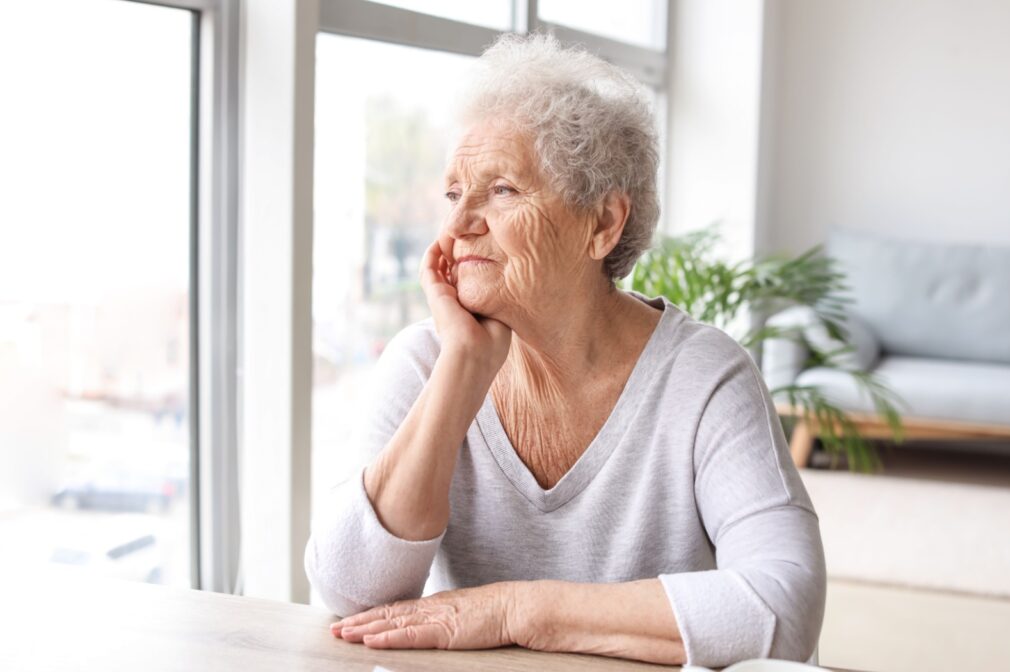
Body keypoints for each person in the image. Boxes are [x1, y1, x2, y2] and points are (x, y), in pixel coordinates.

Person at [304, 32, 826, 668]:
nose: (458, 224)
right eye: (452, 193)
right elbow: (349, 594)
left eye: (500, 190)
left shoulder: (704, 376)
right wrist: (461, 371)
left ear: (603, 224)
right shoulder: (425, 361)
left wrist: (514, 611)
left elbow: (783, 610)